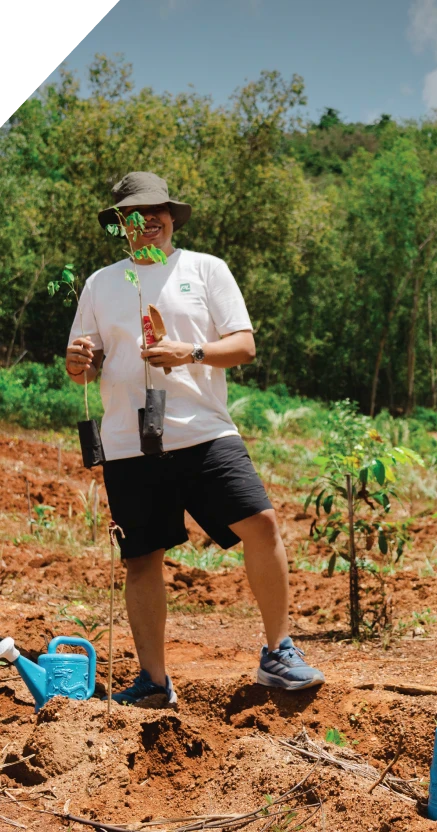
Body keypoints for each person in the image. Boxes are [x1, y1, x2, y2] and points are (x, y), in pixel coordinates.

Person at [65, 171, 324, 707]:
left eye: (157, 210)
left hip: (206, 433)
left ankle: (279, 650)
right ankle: (154, 682)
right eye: (135, 214)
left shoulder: (206, 269)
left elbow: (244, 345)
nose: (148, 220)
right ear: (121, 225)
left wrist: (191, 353)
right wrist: (78, 362)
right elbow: (84, 365)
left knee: (261, 523)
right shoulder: (99, 283)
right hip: (128, 445)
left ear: (171, 216)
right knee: (142, 557)